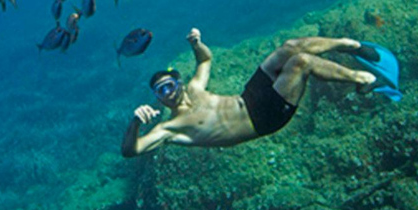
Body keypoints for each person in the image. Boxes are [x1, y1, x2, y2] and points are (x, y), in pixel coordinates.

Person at [122, 28, 392, 157]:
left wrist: (197, 44)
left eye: (169, 85)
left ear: (178, 82)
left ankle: (349, 44)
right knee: (301, 63)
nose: (167, 93)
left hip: (248, 98)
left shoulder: (193, 88)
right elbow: (131, 150)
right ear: (157, 98)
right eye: (160, 91)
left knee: (289, 47)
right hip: (263, 119)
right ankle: (363, 79)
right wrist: (135, 123)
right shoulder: (170, 128)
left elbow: (205, 61)